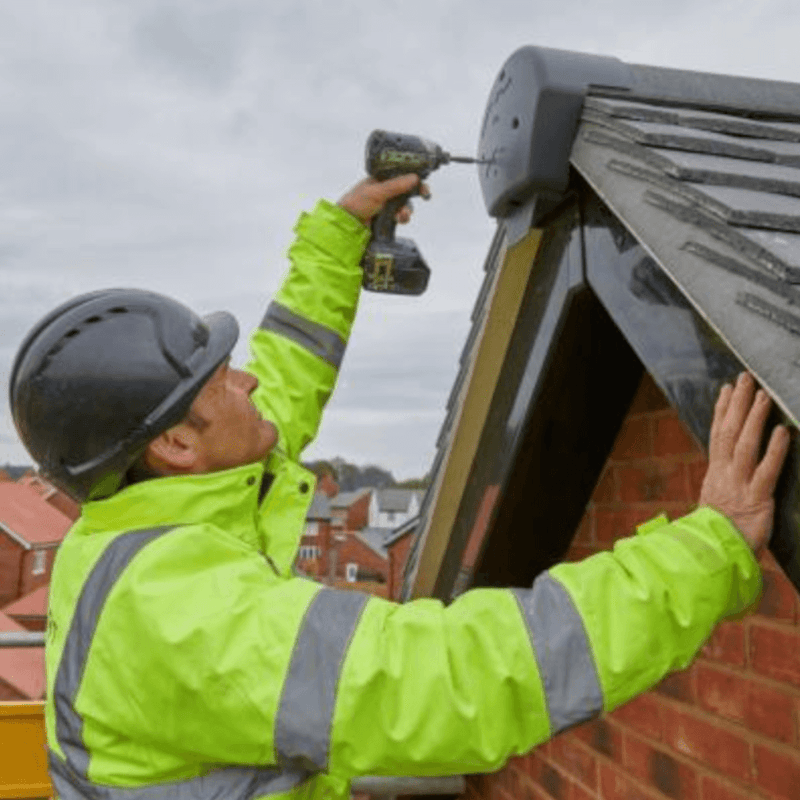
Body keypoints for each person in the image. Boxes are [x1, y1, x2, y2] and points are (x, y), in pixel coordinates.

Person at [9, 171, 790, 800]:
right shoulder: (179, 616)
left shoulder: (150, 509)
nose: (246, 381)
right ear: (175, 443)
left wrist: (340, 234)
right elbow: (454, 681)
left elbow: (281, 381)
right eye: (220, 380)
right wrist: (708, 545)